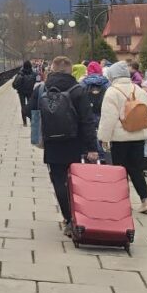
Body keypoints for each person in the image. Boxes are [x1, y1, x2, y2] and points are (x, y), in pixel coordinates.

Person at [31, 56, 98, 238]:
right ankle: (78, 215)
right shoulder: (78, 90)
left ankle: (69, 219)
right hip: (74, 142)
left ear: (52, 69)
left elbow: (31, 112)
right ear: (70, 70)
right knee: (74, 181)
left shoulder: (41, 88)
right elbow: (87, 121)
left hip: (52, 143)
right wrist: (92, 148)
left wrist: (37, 137)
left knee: (58, 181)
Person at [98, 62, 147, 213]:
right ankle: (145, 200)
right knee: (136, 169)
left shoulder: (112, 91)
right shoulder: (138, 89)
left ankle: (123, 201)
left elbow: (108, 118)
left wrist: (104, 137)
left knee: (120, 170)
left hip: (120, 138)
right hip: (138, 136)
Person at [12, 60, 37, 127]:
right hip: (30, 92)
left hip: (21, 93)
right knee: (30, 106)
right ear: (30, 66)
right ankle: (31, 121)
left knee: (23, 106)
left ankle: (24, 123)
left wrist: (18, 88)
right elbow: (35, 81)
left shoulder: (20, 73)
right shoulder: (34, 74)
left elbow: (14, 84)